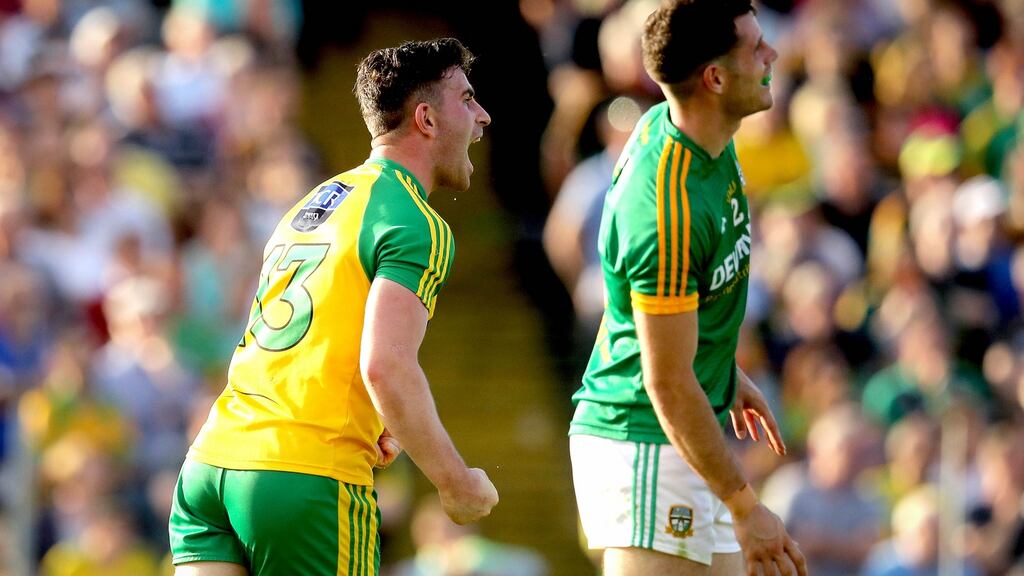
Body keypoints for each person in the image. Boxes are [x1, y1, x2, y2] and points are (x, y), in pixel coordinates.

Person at [167, 38, 497, 576]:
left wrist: (375, 420)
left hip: (212, 463)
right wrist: (455, 482)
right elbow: (385, 365)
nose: (482, 116)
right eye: (466, 99)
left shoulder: (313, 205)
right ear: (426, 120)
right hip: (305, 475)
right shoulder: (415, 220)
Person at [567, 2, 808, 575]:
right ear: (715, 78)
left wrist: (724, 370)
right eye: (755, 47)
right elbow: (668, 382)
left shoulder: (702, 135)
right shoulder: (667, 208)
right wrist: (746, 505)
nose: (771, 55)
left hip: (673, 438)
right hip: (645, 442)